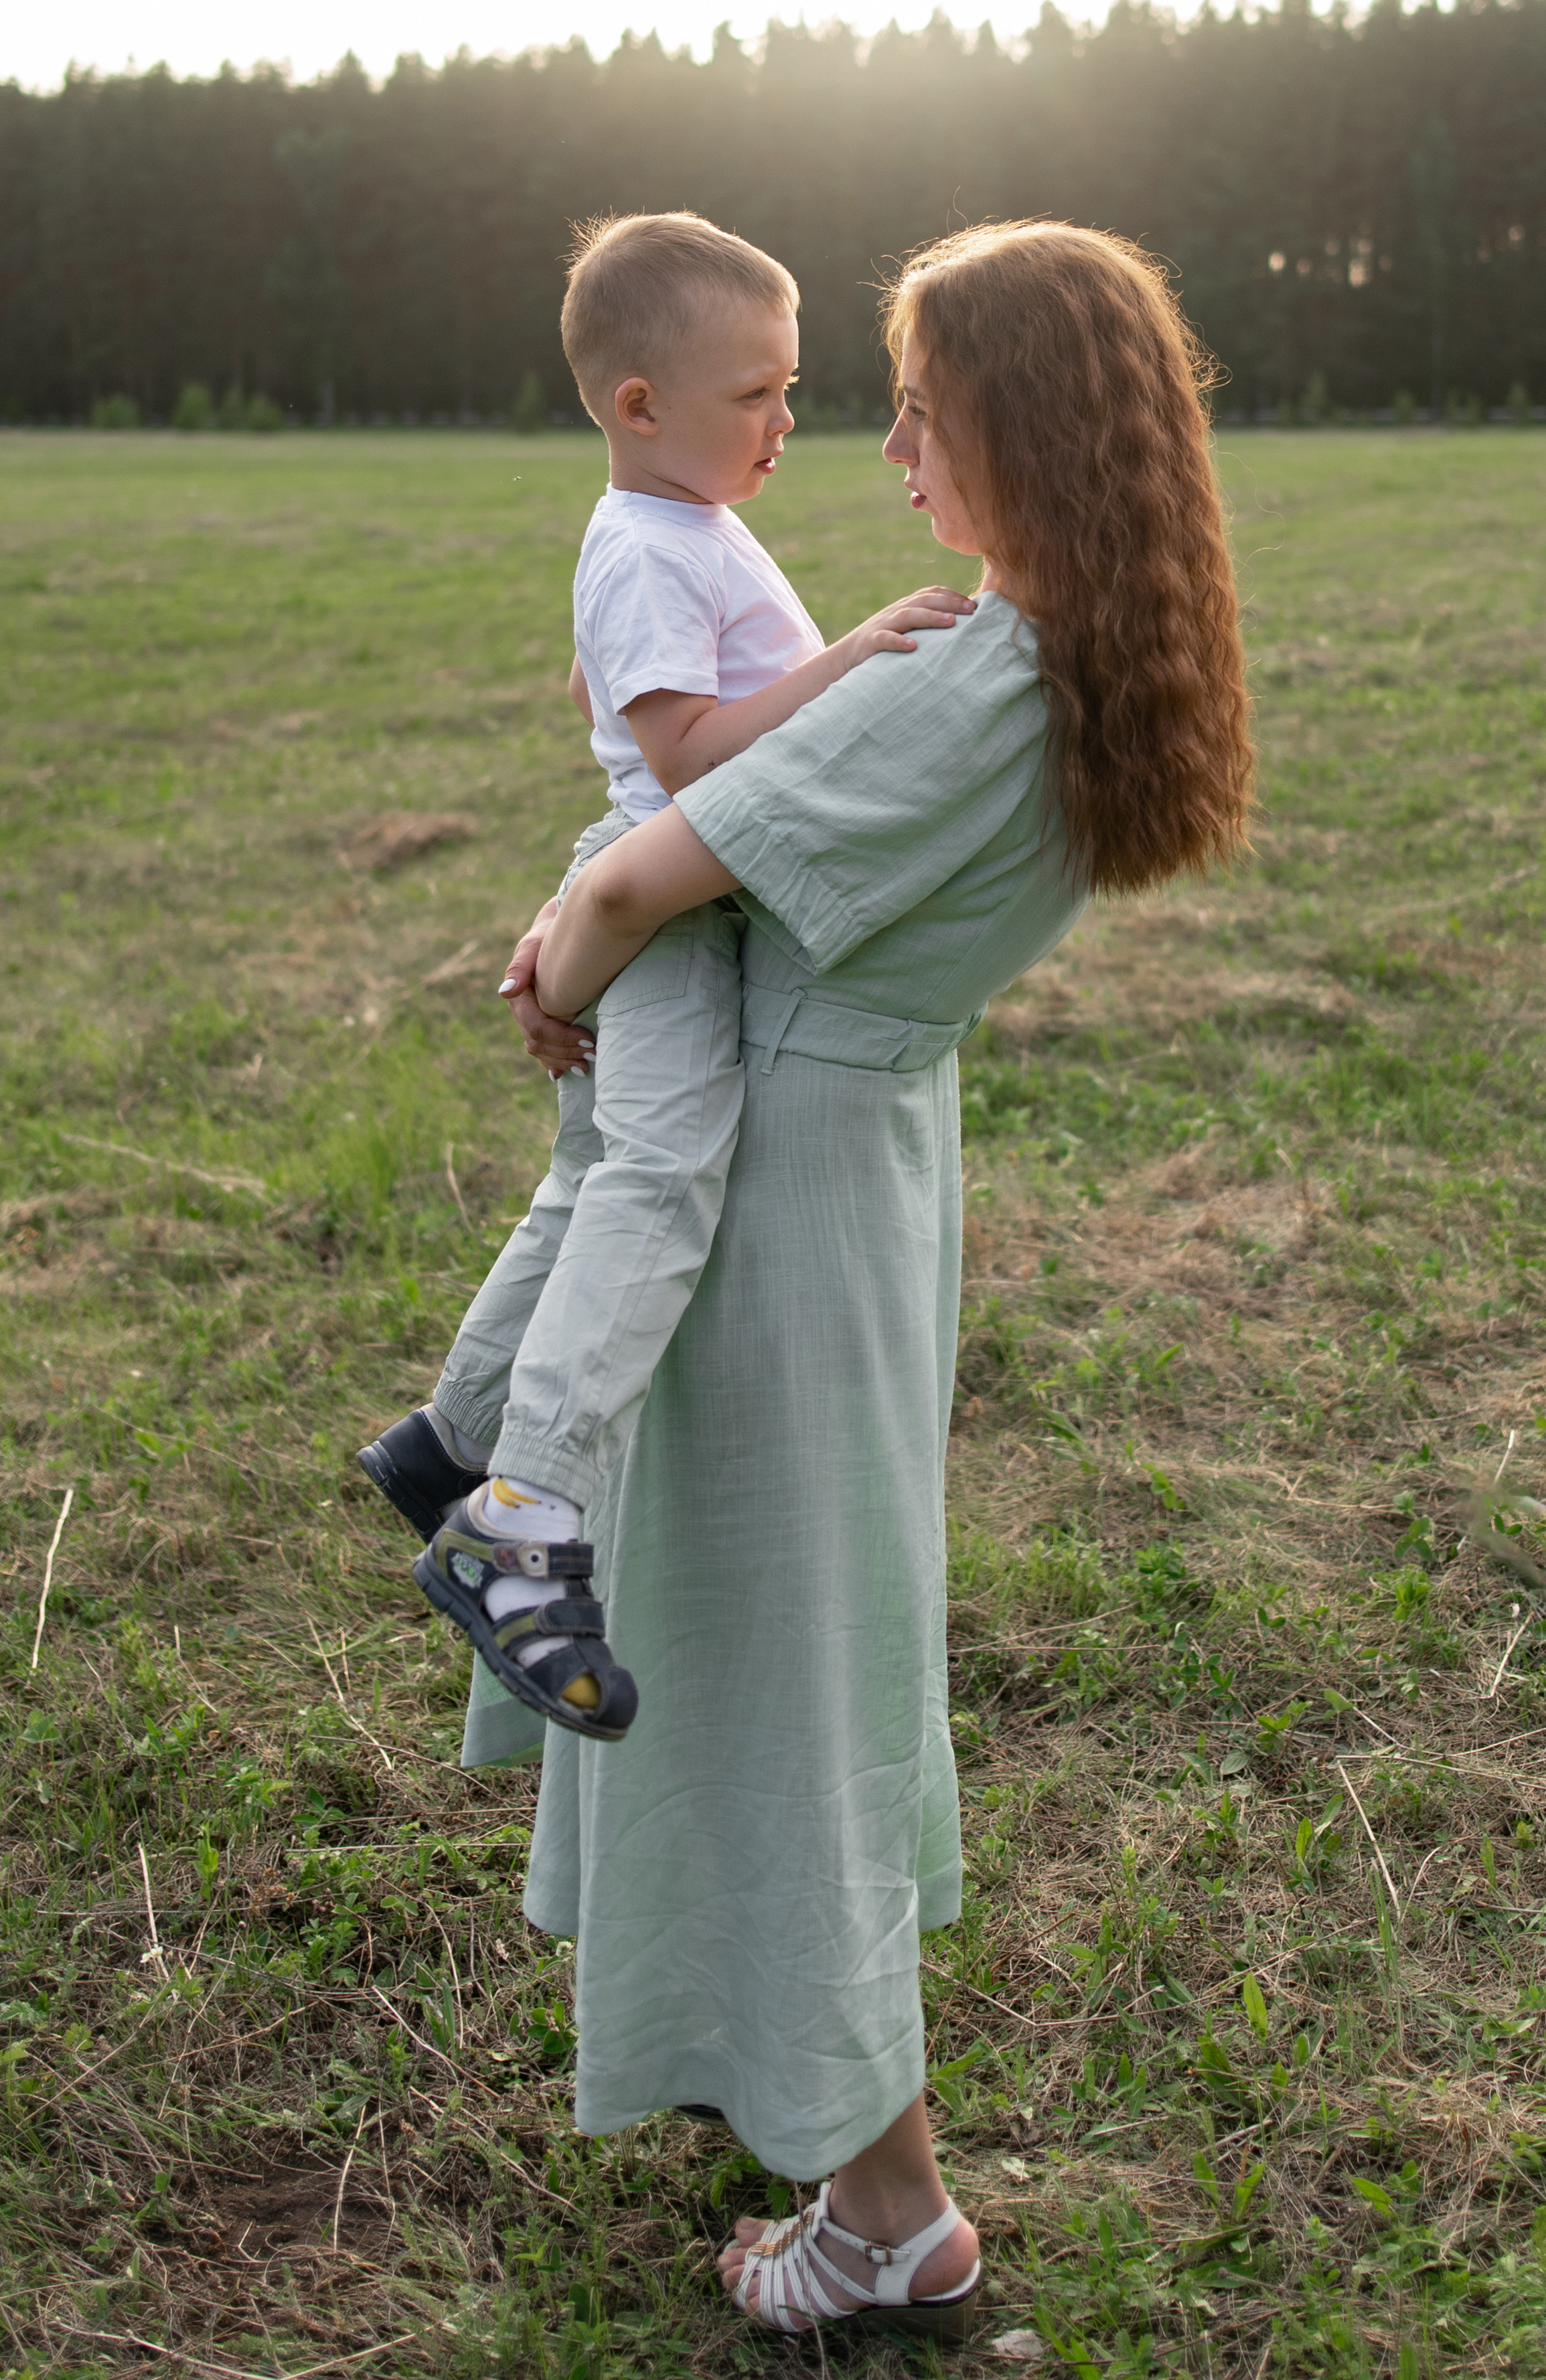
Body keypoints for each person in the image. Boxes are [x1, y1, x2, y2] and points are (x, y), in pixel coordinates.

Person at [463, 220, 1252, 2338]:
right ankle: (838, 2129)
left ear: (1021, 431)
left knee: (781, 1673)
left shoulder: (968, 678)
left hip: (786, 1199)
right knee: (795, 1648)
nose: (888, 456)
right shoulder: (1073, 654)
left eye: (919, 414)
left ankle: (889, 2212)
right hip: (855, 1154)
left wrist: (560, 966)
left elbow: (647, 871)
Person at [357, 210, 969, 1743]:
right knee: (660, 1174)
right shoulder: (646, 539)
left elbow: (605, 685)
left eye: (789, 386)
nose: (788, 418)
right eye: (755, 391)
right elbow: (681, 753)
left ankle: (448, 1440)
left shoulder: (676, 526)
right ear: (639, 404)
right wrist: (855, 653)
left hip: (665, 875)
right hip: (678, 909)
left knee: (588, 1180)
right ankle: (522, 1511)